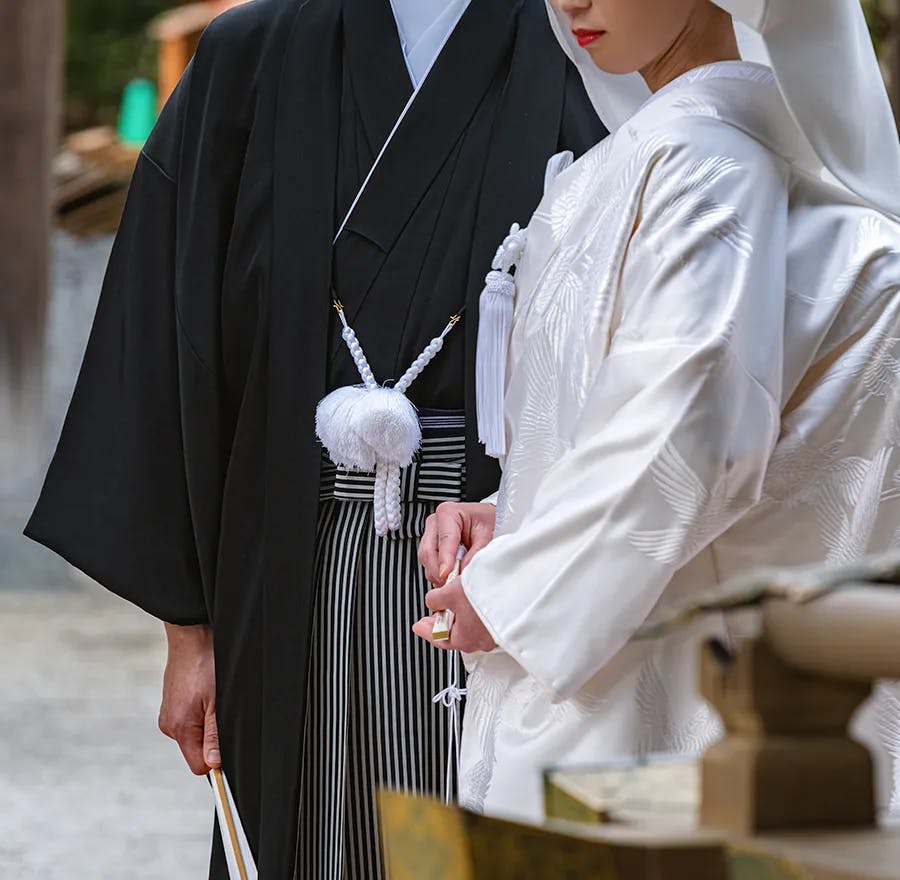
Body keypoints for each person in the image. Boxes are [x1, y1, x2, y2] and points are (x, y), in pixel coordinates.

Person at [25, 1, 605, 876]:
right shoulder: (251, 53)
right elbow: (171, 335)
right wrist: (192, 632)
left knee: (477, 844)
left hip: (501, 558)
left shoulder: (585, 44)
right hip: (287, 559)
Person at [415, 0, 900, 821]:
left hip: (665, 665)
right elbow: (661, 411)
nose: (572, 3)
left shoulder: (706, 158)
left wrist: (519, 589)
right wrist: (518, 511)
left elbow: (694, 429)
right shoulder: (720, 151)